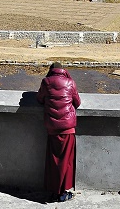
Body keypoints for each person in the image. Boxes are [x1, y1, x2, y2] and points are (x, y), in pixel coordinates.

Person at [36, 61, 81, 202]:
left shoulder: (46, 82)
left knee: (53, 161)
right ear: (63, 70)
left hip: (52, 128)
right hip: (68, 128)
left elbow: (40, 99)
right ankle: (63, 193)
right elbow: (77, 102)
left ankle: (54, 191)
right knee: (67, 162)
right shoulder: (70, 82)